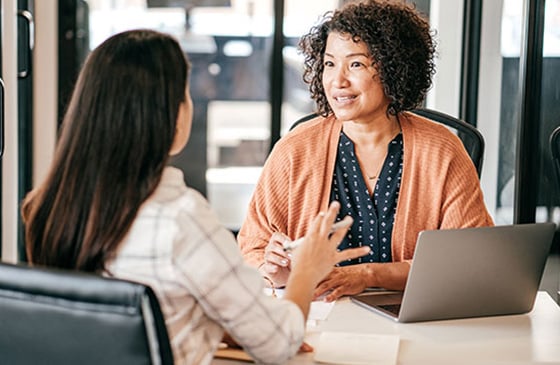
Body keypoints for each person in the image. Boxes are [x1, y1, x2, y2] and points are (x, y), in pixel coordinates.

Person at [21, 29, 370, 365]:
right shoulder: (181, 218)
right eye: (186, 94)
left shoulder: (47, 207)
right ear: (170, 115)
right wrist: (305, 271)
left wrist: (220, 325)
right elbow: (278, 343)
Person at [237, 0, 494, 302]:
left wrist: (369, 275)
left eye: (355, 64)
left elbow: (467, 260)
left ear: (394, 68)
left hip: (413, 317)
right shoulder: (294, 150)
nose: (338, 81)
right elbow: (252, 249)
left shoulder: (442, 150)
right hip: (318, 314)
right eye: (330, 64)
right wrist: (276, 272)